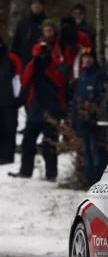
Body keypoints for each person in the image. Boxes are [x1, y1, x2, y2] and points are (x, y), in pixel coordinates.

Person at [8, 41, 67, 181]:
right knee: (28, 141)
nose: (41, 57)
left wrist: (45, 68)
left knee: (49, 143)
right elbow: (24, 81)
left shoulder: (56, 66)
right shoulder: (31, 66)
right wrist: (34, 65)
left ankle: (51, 174)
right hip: (34, 109)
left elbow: (60, 82)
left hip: (51, 110)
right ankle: (25, 170)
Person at [70, 48, 108, 186]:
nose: (87, 60)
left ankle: (97, 179)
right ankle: (88, 178)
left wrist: (92, 109)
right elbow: (76, 100)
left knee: (96, 151)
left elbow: (100, 96)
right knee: (86, 152)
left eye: (89, 57)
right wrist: (74, 121)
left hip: (94, 121)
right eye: (84, 57)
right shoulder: (82, 75)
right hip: (82, 121)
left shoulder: (99, 75)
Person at [0, 37, 23, 165]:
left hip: (9, 101)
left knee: (9, 128)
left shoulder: (12, 59)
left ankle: (8, 156)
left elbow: (18, 78)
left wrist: (18, 97)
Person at [53, 15, 92, 82]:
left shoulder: (82, 37)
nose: (66, 28)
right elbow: (56, 55)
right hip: (64, 71)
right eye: (64, 26)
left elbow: (88, 51)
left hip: (80, 69)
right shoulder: (60, 39)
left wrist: (84, 61)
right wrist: (61, 65)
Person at [12, 0, 47, 66]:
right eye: (34, 4)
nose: (36, 6)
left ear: (43, 6)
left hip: (42, 61)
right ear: (31, 6)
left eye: (39, 4)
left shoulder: (47, 22)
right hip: (25, 61)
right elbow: (16, 42)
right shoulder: (24, 22)